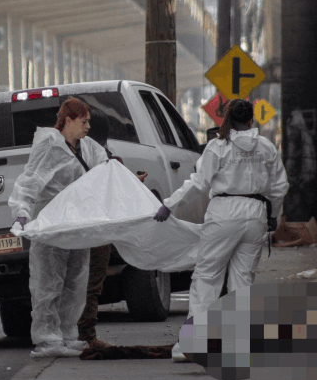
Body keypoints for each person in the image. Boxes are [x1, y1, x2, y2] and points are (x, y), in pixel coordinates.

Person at [154, 98, 289, 362]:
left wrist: (169, 205)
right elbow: (279, 187)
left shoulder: (217, 147)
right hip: (256, 213)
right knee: (242, 281)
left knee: (207, 277)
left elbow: (198, 183)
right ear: (251, 121)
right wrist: (273, 215)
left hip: (224, 212)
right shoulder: (266, 147)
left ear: (227, 120)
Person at [9, 97, 109, 358]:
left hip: (76, 223)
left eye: (89, 122)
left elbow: (105, 171)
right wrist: (22, 212)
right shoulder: (50, 146)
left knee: (75, 281)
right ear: (68, 120)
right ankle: (46, 338)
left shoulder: (88, 148)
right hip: (52, 221)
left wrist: (129, 178)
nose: (88, 127)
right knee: (48, 281)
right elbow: (29, 181)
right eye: (84, 121)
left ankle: (67, 334)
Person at [76, 115, 146, 350]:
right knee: (92, 284)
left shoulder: (72, 151)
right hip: (97, 229)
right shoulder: (99, 154)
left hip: (76, 228)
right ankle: (86, 335)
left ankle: (73, 334)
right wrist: (136, 181)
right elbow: (112, 187)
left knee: (73, 284)